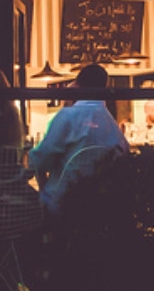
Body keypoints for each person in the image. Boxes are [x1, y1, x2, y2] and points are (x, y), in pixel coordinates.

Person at [28, 65, 127, 216]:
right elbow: (124, 157)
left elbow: (40, 160)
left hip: (62, 203)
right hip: (102, 206)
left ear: (77, 85)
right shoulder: (110, 122)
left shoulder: (68, 116)